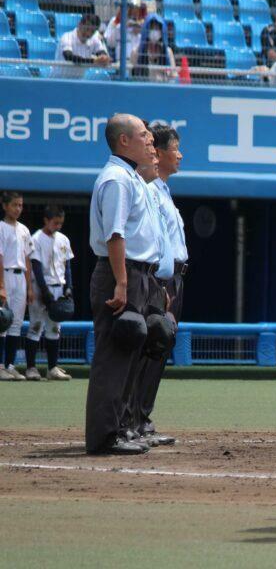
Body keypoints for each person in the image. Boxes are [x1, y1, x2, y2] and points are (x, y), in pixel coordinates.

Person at [86, 113, 163, 455]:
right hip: (122, 273)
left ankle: (122, 428)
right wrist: (121, 282)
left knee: (131, 355)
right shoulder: (117, 178)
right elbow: (114, 235)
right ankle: (104, 436)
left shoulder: (132, 177)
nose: (150, 140)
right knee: (114, 357)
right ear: (123, 141)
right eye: (144, 134)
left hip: (138, 274)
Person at [135, 124, 187, 444]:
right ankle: (136, 419)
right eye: (175, 148)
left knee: (161, 347)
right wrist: (162, 284)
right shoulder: (151, 190)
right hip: (161, 279)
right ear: (160, 152)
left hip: (175, 277)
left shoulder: (164, 189)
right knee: (152, 346)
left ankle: (143, 417)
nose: (179, 154)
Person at [23, 205, 74, 382]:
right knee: (36, 326)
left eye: (60, 223)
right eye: (55, 223)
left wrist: (69, 288)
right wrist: (44, 292)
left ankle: (52, 367)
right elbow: (36, 267)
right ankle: (31, 367)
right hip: (40, 286)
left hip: (59, 286)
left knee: (54, 328)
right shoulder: (36, 238)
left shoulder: (63, 239)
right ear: (46, 220)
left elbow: (67, 266)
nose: (58, 226)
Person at [0, 192, 33, 382]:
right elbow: (0, 256)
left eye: (20, 205)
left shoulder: (24, 230)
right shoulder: (1, 227)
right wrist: (1, 285)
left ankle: (10, 365)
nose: (18, 209)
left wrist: (29, 287)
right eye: (14, 205)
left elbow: (27, 258)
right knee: (2, 321)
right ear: (5, 206)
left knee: (16, 323)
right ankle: (0, 366)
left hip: (21, 278)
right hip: (6, 275)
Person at [54, 13, 111, 79]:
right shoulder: (67, 37)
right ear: (80, 24)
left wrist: (104, 58)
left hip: (78, 81)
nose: (88, 33)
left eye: (92, 31)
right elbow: (69, 57)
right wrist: (93, 61)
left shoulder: (94, 39)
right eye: (86, 29)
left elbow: (101, 52)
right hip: (59, 80)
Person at [104, 0, 147, 64]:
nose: (133, 10)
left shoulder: (145, 23)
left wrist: (142, 31)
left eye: (136, 7)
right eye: (130, 7)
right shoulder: (115, 21)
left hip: (140, 64)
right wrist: (122, 26)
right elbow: (110, 43)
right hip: (122, 63)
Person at [130, 15, 177, 82]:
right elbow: (131, 75)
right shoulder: (136, 52)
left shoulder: (168, 52)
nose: (154, 31)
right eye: (152, 28)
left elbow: (173, 76)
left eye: (157, 28)